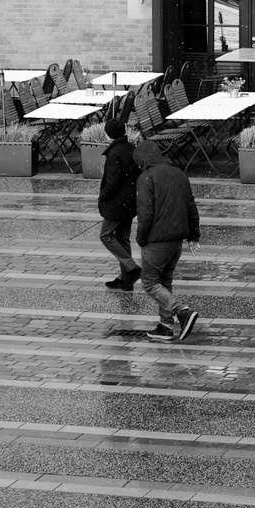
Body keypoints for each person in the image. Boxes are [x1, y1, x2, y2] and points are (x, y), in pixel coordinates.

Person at [133, 140, 199, 342]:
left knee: (150, 283)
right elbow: (190, 205)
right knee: (165, 282)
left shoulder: (146, 178)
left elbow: (145, 213)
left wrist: (141, 239)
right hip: (177, 240)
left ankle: (182, 311)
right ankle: (165, 326)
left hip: (157, 240)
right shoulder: (178, 173)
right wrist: (193, 235)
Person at [97, 119, 141, 290]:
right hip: (130, 201)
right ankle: (126, 279)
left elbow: (113, 183)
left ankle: (132, 268)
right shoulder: (130, 148)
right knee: (122, 238)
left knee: (106, 235)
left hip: (117, 203)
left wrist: (103, 197)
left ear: (109, 134)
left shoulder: (114, 153)